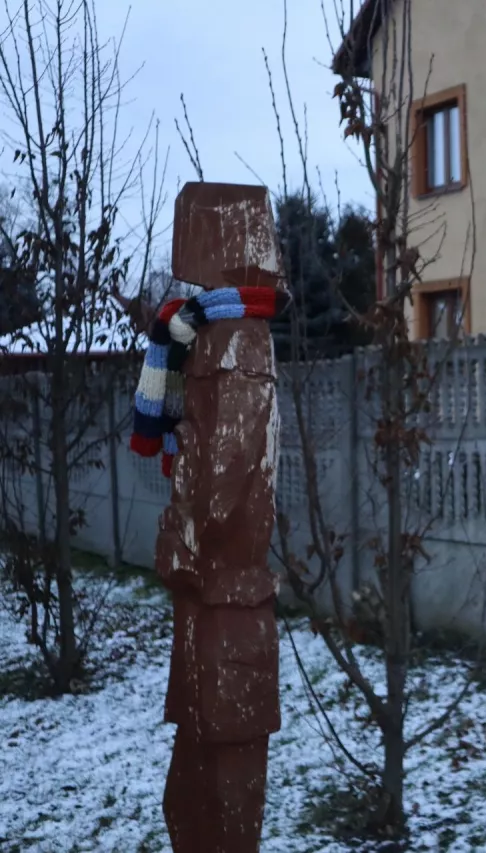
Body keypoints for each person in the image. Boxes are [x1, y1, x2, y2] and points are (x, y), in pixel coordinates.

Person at [130, 182, 289, 852]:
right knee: (191, 790)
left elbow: (223, 469)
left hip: (228, 598)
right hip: (208, 603)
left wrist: (183, 538)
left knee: (225, 794)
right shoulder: (210, 336)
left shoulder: (237, 345)